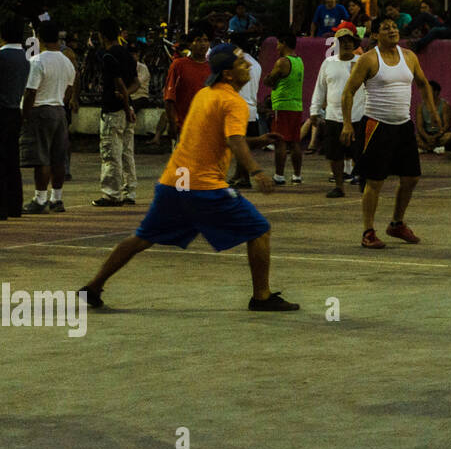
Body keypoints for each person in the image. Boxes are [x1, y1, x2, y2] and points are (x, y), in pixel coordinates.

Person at [77, 44, 299, 313]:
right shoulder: (233, 102)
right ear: (228, 74)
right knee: (260, 230)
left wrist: (258, 140)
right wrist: (256, 171)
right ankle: (261, 296)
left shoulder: (206, 94)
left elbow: (225, 139)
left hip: (175, 182)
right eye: (242, 63)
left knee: (142, 238)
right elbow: (234, 141)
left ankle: (92, 287)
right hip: (204, 187)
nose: (249, 66)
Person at [340, 17, 438, 249]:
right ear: (375, 35)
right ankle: (368, 231)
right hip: (377, 125)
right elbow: (348, 92)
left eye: (394, 27)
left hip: (403, 126)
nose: (392, 30)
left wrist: (431, 110)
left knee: (411, 177)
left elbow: (423, 84)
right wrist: (346, 124)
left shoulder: (410, 57)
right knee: (374, 182)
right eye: (386, 28)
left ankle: (396, 223)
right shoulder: (368, 59)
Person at [19, 21, 77, 214]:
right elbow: (69, 90)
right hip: (59, 109)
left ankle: (40, 198)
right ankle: (57, 198)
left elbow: (30, 91)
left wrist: (24, 115)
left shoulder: (38, 61)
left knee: (42, 158)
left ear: (40, 39)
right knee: (58, 158)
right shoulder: (67, 61)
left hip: (41, 110)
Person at [308, 26, 369, 197]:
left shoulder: (361, 62)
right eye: (343, 42)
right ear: (336, 44)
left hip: (358, 115)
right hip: (333, 116)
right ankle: (339, 186)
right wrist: (315, 110)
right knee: (335, 155)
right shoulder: (328, 63)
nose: (347, 44)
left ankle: (365, 184)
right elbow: (320, 88)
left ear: (354, 43)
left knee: (360, 153)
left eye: (350, 41)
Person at [0, 18, 28, 221]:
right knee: (11, 160)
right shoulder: (25, 59)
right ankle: (14, 204)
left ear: (1, 35)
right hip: (14, 110)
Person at [94, 18, 138, 207]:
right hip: (128, 108)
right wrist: (128, 100)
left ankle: (112, 193)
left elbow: (118, 82)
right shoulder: (127, 54)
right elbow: (136, 82)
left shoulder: (108, 56)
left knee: (111, 152)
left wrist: (124, 101)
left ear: (101, 36)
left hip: (114, 110)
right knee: (127, 152)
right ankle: (130, 190)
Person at [264, 34, 305, 185]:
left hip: (282, 106)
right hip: (296, 105)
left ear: (284, 43)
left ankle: (279, 175)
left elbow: (269, 80)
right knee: (295, 142)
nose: (276, 47)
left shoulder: (282, 62)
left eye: (278, 44)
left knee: (280, 141)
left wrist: (270, 79)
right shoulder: (299, 61)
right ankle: (297, 175)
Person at [163, 28, 212, 145]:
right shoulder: (178, 65)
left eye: (206, 40)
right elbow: (169, 98)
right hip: (184, 128)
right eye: (199, 40)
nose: (203, 44)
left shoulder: (213, 68)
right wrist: (172, 123)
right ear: (190, 44)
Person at [229, 42, 266, 189]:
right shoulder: (256, 65)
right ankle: (240, 176)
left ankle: (244, 177)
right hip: (251, 109)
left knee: (239, 145)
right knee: (243, 145)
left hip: (239, 108)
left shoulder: (236, 64)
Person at [416, 81, 451, 154]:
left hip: (439, 135)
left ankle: (427, 148)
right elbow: (419, 127)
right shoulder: (420, 107)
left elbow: (447, 126)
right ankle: (434, 148)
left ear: (436, 92)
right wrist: (427, 137)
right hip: (426, 135)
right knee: (414, 137)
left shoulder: (445, 106)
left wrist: (435, 137)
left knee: (450, 136)